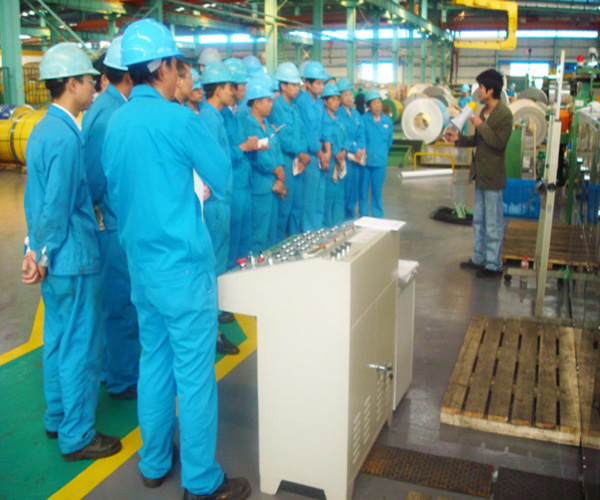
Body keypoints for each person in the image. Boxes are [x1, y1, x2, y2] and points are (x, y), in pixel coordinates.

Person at [102, 19, 250, 500]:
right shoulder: (180, 119)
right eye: (177, 65)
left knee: (155, 363)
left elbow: (115, 193)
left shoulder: (115, 122)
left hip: (141, 269)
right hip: (183, 270)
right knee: (194, 375)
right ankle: (202, 482)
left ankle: (153, 462)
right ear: (164, 66)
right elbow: (222, 178)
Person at [21, 42, 122, 461]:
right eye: (88, 81)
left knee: (58, 339)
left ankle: (58, 416)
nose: (94, 88)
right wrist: (43, 254)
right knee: (80, 345)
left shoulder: (42, 129)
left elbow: (35, 200)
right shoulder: (65, 137)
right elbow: (57, 204)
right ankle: (78, 435)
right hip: (72, 258)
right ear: (69, 84)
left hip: (54, 259)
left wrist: (33, 251)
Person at [81, 36, 139, 400]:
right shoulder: (111, 113)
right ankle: (121, 377)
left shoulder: (110, 105)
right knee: (120, 303)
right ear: (130, 75)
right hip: (114, 224)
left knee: (116, 301)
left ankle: (113, 368)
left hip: (116, 220)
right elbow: (96, 175)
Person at [445, 69, 513, 279]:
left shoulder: (504, 114)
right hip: (480, 175)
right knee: (479, 221)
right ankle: (479, 258)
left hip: (493, 177)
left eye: (481, 87)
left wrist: (480, 124)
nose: (479, 91)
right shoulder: (484, 111)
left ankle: (493, 265)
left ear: (491, 90)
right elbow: (478, 140)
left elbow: (498, 143)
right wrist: (458, 139)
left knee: (493, 224)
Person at [198, 61, 240, 355]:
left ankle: (212, 321)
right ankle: (211, 331)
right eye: (229, 87)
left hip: (219, 199)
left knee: (217, 263)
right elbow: (211, 163)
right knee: (213, 266)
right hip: (215, 203)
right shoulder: (210, 119)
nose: (233, 92)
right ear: (218, 89)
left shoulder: (215, 116)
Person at [222, 58, 257, 269]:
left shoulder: (234, 113)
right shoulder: (219, 116)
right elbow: (221, 154)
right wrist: (244, 147)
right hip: (232, 185)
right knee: (231, 241)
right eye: (242, 85)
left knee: (244, 239)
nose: (245, 89)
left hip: (243, 182)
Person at [243, 79, 286, 252]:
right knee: (258, 235)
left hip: (274, 185)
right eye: (268, 101)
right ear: (256, 102)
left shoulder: (267, 125)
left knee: (271, 235)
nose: (271, 105)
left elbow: (277, 149)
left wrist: (281, 175)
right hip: (260, 187)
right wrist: (277, 172)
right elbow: (259, 157)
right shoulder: (249, 125)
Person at [269, 62, 310, 240]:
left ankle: (294, 243)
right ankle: (279, 246)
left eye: (297, 85)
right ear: (283, 86)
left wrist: (302, 155)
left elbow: (302, 132)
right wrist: (301, 153)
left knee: (296, 207)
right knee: (283, 210)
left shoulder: (294, 107)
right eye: (293, 85)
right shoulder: (276, 107)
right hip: (286, 162)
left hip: (297, 163)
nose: (297, 88)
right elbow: (283, 138)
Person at [296, 61, 330, 231]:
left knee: (319, 195)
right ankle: (308, 232)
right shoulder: (302, 102)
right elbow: (308, 131)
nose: (321, 86)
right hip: (310, 155)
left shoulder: (319, 103)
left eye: (322, 83)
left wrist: (327, 151)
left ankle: (317, 229)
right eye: (317, 83)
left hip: (320, 154)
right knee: (309, 197)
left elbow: (324, 126)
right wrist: (320, 154)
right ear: (307, 83)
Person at [359, 88, 393, 218]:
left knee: (377, 191)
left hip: (380, 162)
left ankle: (378, 216)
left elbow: (389, 142)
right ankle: (363, 216)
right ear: (369, 106)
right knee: (363, 191)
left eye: (379, 102)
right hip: (365, 162)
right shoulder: (363, 120)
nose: (377, 106)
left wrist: (381, 153)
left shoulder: (387, 122)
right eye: (374, 103)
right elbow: (361, 139)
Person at [335, 77, 365, 220]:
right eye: (345, 94)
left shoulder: (356, 114)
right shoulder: (338, 114)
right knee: (343, 190)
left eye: (350, 94)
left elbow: (361, 132)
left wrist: (360, 148)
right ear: (339, 96)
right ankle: (341, 221)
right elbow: (343, 135)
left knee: (354, 190)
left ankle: (351, 218)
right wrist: (354, 148)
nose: (349, 97)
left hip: (356, 160)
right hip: (345, 157)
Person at [321, 82, 349, 227]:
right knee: (328, 198)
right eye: (332, 99)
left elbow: (346, 138)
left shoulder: (339, 120)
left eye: (338, 99)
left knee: (339, 197)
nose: (336, 102)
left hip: (340, 162)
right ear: (325, 101)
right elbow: (326, 138)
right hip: (331, 163)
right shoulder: (324, 119)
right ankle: (327, 228)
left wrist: (343, 151)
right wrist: (336, 154)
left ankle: (338, 227)